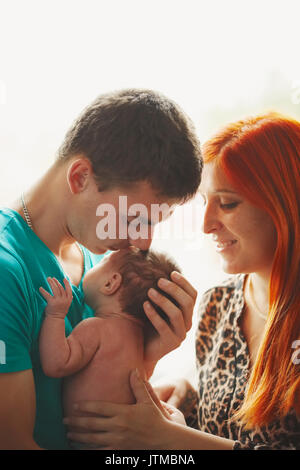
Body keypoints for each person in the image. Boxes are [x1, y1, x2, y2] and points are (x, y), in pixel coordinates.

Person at [63, 112, 300, 450]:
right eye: (205, 202)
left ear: (286, 206)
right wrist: (184, 396)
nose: (206, 224)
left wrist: (172, 439)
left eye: (228, 204)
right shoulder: (217, 304)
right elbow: (225, 423)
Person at [0, 88, 202, 450]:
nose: (142, 243)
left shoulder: (102, 266)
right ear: (80, 178)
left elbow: (97, 409)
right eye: (134, 219)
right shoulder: (6, 271)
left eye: (155, 222)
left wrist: (148, 352)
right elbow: (12, 441)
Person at [38, 247, 181, 449]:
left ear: (110, 283)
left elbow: (55, 364)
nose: (96, 261)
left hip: (92, 441)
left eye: (104, 261)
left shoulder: (96, 328)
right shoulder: (140, 342)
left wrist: (55, 316)